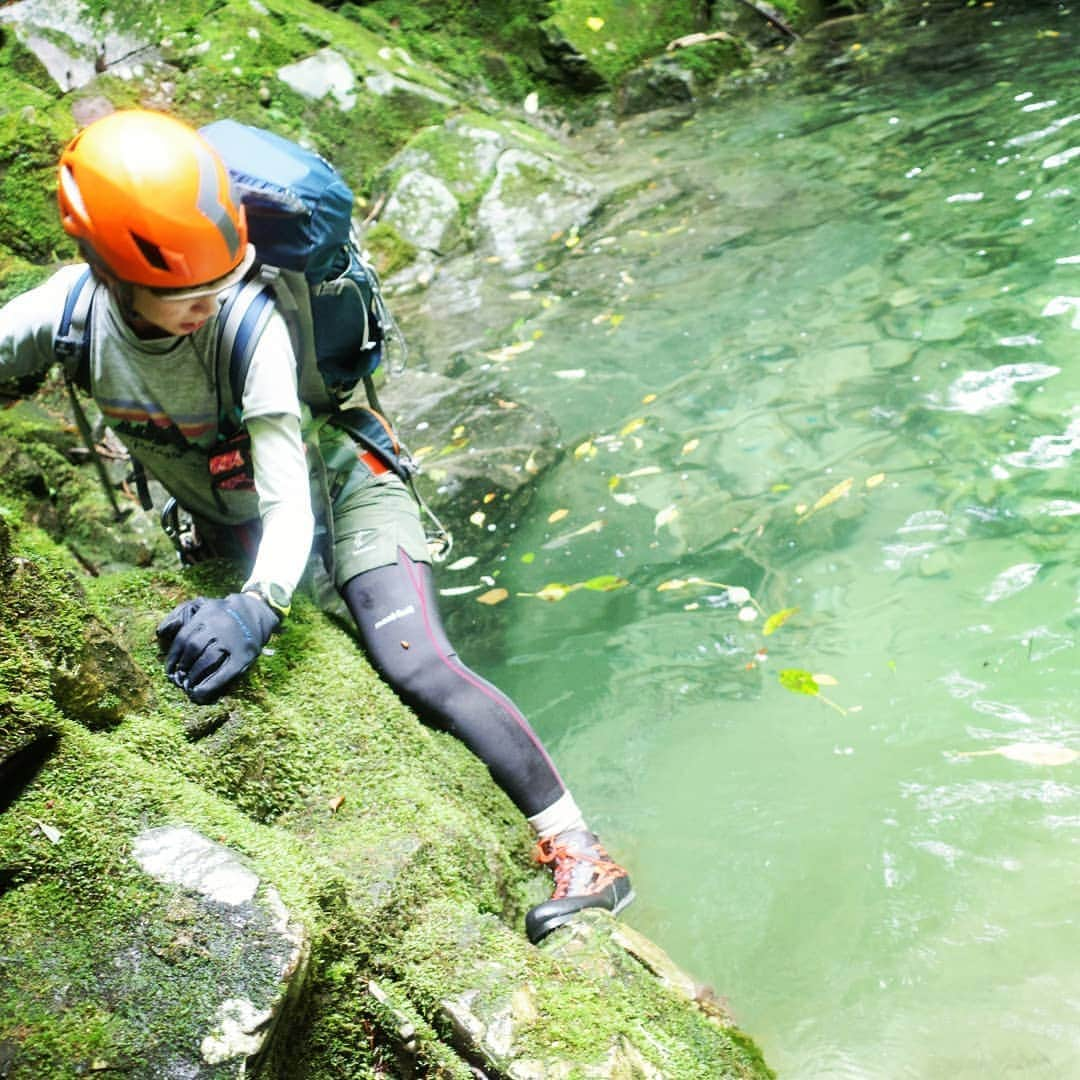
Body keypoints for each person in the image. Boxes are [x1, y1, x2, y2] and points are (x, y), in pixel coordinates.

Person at [0, 109, 632, 943]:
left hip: (339, 483)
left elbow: (289, 495)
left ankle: (584, 853)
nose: (208, 303)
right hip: (223, 518)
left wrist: (256, 608)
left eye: (219, 281)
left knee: (416, 663)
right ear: (108, 271)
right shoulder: (67, 314)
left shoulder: (247, 321)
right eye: (183, 293)